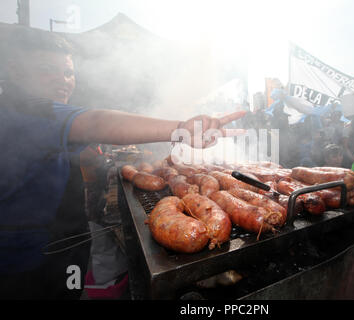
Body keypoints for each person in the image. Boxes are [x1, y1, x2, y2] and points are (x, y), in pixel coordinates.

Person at [0, 27, 245, 299]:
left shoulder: (27, 117)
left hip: (56, 250)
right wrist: (181, 129)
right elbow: (96, 122)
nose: (63, 81)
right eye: (47, 69)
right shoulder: (26, 110)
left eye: (68, 73)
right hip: (28, 265)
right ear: (15, 70)